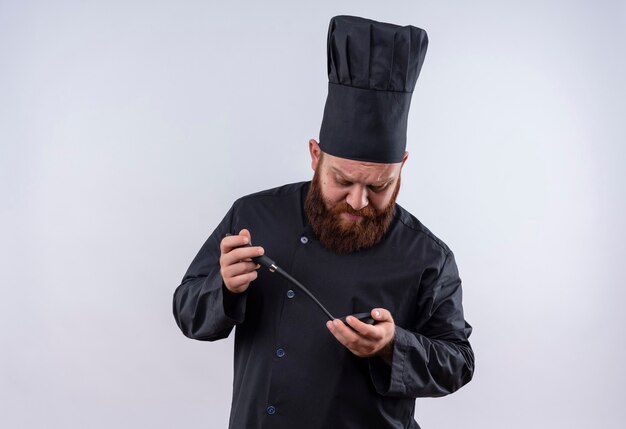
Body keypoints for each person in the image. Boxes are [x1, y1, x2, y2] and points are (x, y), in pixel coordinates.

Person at [173, 15, 474, 429]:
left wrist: (393, 344)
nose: (358, 200)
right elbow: (188, 313)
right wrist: (223, 287)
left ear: (402, 167)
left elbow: (458, 362)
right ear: (316, 157)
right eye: (343, 180)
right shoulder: (254, 216)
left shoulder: (427, 256)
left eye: (379, 186)